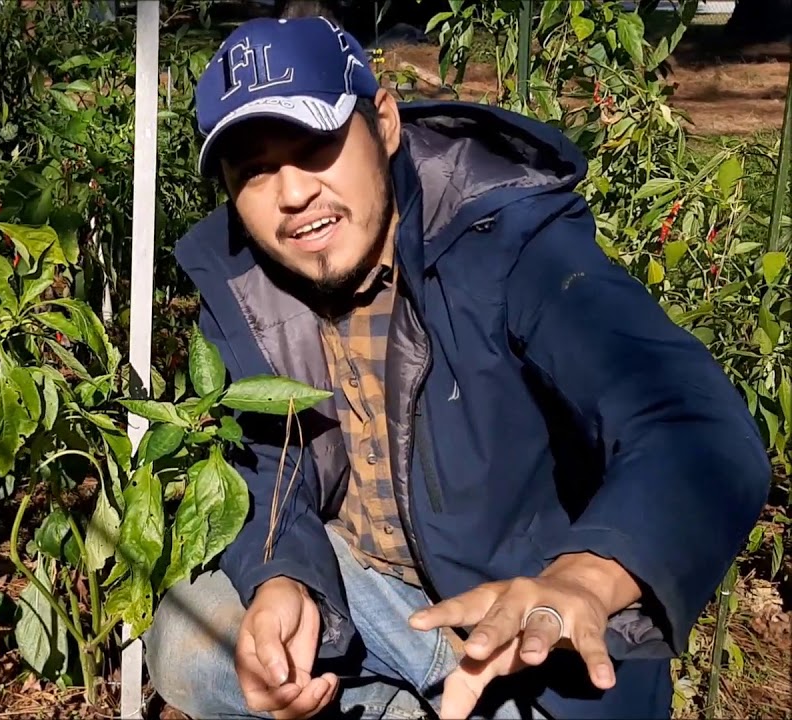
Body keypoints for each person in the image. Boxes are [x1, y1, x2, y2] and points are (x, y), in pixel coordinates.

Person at [142, 13, 772, 720]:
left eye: (315, 146)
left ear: (383, 123)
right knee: (189, 640)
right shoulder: (245, 284)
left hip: (525, 622)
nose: (292, 195)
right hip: (373, 596)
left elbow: (693, 426)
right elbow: (263, 460)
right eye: (255, 170)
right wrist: (282, 577)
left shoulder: (504, 244)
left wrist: (587, 580)